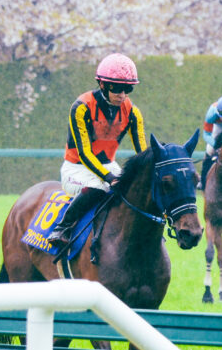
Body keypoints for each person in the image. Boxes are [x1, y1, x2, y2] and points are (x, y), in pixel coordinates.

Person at [47, 53, 147, 247]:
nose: (122, 94)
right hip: (76, 168)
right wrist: (110, 178)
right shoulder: (82, 106)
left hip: (109, 166)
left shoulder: (133, 112)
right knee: (98, 187)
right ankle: (62, 227)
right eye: (117, 88)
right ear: (102, 84)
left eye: (128, 88)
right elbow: (84, 153)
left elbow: (142, 153)